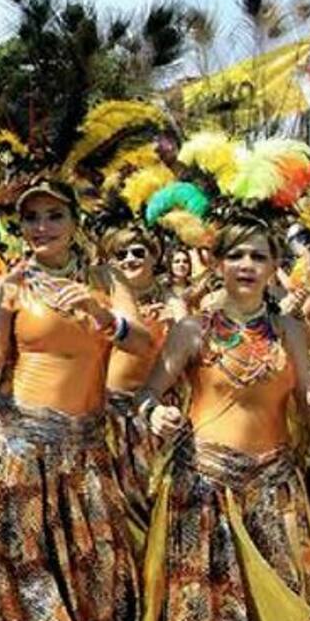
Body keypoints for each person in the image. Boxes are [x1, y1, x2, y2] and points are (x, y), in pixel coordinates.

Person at [130, 214, 310, 621]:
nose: (247, 266)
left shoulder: (292, 332)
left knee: (286, 607)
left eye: (259, 257)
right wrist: (159, 413)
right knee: (199, 612)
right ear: (218, 263)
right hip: (203, 483)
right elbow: (148, 395)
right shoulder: (194, 330)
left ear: (274, 267)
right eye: (237, 255)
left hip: (273, 484)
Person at [0, 179, 153, 621]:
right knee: (17, 572)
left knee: (93, 569)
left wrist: (101, 315)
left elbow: (142, 344)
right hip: (19, 448)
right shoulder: (9, 283)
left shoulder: (104, 280)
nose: (42, 228)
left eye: (53, 216)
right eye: (32, 219)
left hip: (84, 451)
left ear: (74, 221)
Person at [103, 227, 185, 543]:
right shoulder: (104, 300)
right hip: (107, 415)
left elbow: (185, 352)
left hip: (155, 414)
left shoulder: (172, 302)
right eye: (120, 254)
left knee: (149, 497)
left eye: (138, 251)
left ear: (154, 256)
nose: (130, 259)